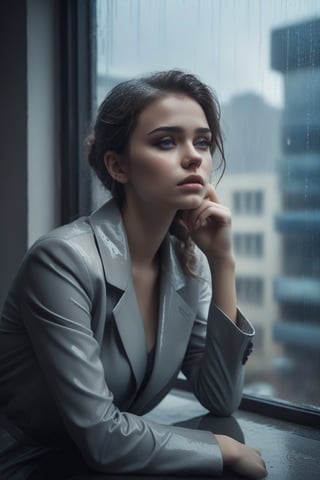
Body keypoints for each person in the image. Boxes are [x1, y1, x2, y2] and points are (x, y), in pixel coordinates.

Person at [0, 70, 267, 479]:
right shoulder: (62, 261)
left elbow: (220, 397)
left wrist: (222, 263)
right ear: (118, 166)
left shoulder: (185, 267)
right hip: (24, 464)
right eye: (166, 141)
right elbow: (103, 436)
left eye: (202, 141)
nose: (194, 156)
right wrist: (220, 450)